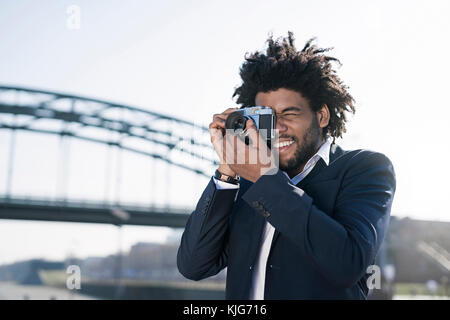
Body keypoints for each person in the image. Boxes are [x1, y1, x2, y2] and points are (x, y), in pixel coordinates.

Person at [177, 32, 396, 299]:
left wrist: (265, 179)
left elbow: (347, 263)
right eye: (268, 118)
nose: (278, 128)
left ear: (322, 115)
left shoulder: (365, 168)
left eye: (289, 114)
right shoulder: (251, 183)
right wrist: (228, 171)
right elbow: (193, 265)